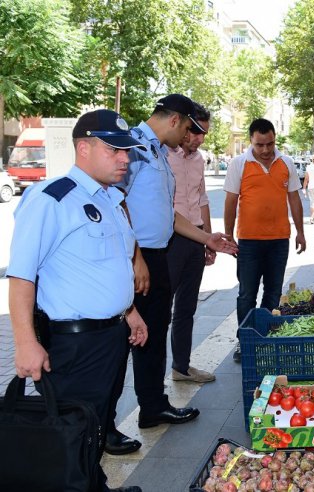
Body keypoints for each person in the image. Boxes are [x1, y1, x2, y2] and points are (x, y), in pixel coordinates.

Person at [8, 109, 148, 492]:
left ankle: (95, 485)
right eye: (115, 150)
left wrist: (130, 312)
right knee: (70, 437)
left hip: (110, 337)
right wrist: (25, 343)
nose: (125, 158)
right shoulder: (51, 199)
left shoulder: (109, 199)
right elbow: (21, 277)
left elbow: (111, 267)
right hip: (74, 345)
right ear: (83, 147)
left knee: (97, 428)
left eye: (128, 151)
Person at [107, 94, 237, 438]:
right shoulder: (131, 146)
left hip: (158, 254)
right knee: (124, 341)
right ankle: (104, 426)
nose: (192, 140)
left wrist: (206, 237)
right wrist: (135, 258)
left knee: (153, 333)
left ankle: (153, 407)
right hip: (139, 257)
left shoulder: (157, 152)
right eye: (192, 130)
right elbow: (115, 203)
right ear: (177, 120)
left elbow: (168, 212)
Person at [224, 118, 306, 361]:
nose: (266, 150)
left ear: (274, 140)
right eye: (260, 145)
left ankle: (264, 336)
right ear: (251, 141)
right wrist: (228, 235)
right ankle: (245, 341)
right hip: (248, 242)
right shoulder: (239, 164)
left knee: (272, 292)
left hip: (279, 240)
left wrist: (300, 231)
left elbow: (294, 199)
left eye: (270, 144)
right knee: (246, 294)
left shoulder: (286, 163)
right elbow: (230, 202)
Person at [166, 102, 216, 383]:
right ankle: (150, 387)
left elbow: (202, 200)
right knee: (162, 311)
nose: (199, 139)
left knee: (187, 307)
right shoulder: (162, 156)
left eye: (204, 134)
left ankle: (181, 367)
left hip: (196, 237)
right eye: (196, 131)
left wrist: (209, 239)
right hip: (169, 240)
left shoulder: (198, 160)